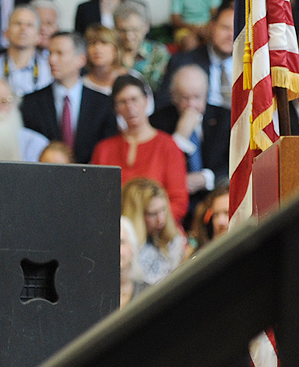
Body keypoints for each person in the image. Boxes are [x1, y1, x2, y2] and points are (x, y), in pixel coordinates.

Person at [92, 76, 188, 224]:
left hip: (159, 229)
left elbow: (179, 201)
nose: (130, 107)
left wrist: (151, 223)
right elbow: (97, 199)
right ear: (116, 108)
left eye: (134, 99)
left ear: (147, 100)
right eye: (122, 102)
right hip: (116, 231)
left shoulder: (168, 145)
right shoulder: (104, 149)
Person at [20, 31, 116, 164]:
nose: (52, 60)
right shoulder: (30, 103)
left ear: (81, 59)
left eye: (60, 53)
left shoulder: (103, 104)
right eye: (50, 53)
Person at [151, 64, 229, 212]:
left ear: (206, 95)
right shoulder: (158, 121)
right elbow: (158, 168)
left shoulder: (224, 119)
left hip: (216, 199)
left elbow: (233, 163)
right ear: (174, 97)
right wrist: (180, 137)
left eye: (197, 97)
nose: (191, 105)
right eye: (185, 98)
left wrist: (206, 178)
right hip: (172, 203)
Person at [0, 5, 48, 101]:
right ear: (5, 33)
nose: (23, 29)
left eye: (29, 25)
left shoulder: (49, 71)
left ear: (39, 36)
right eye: (17, 23)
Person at [123, 177, 188, 293]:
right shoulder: (126, 247)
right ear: (137, 215)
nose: (161, 219)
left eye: (163, 210)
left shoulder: (173, 239)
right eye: (153, 214)